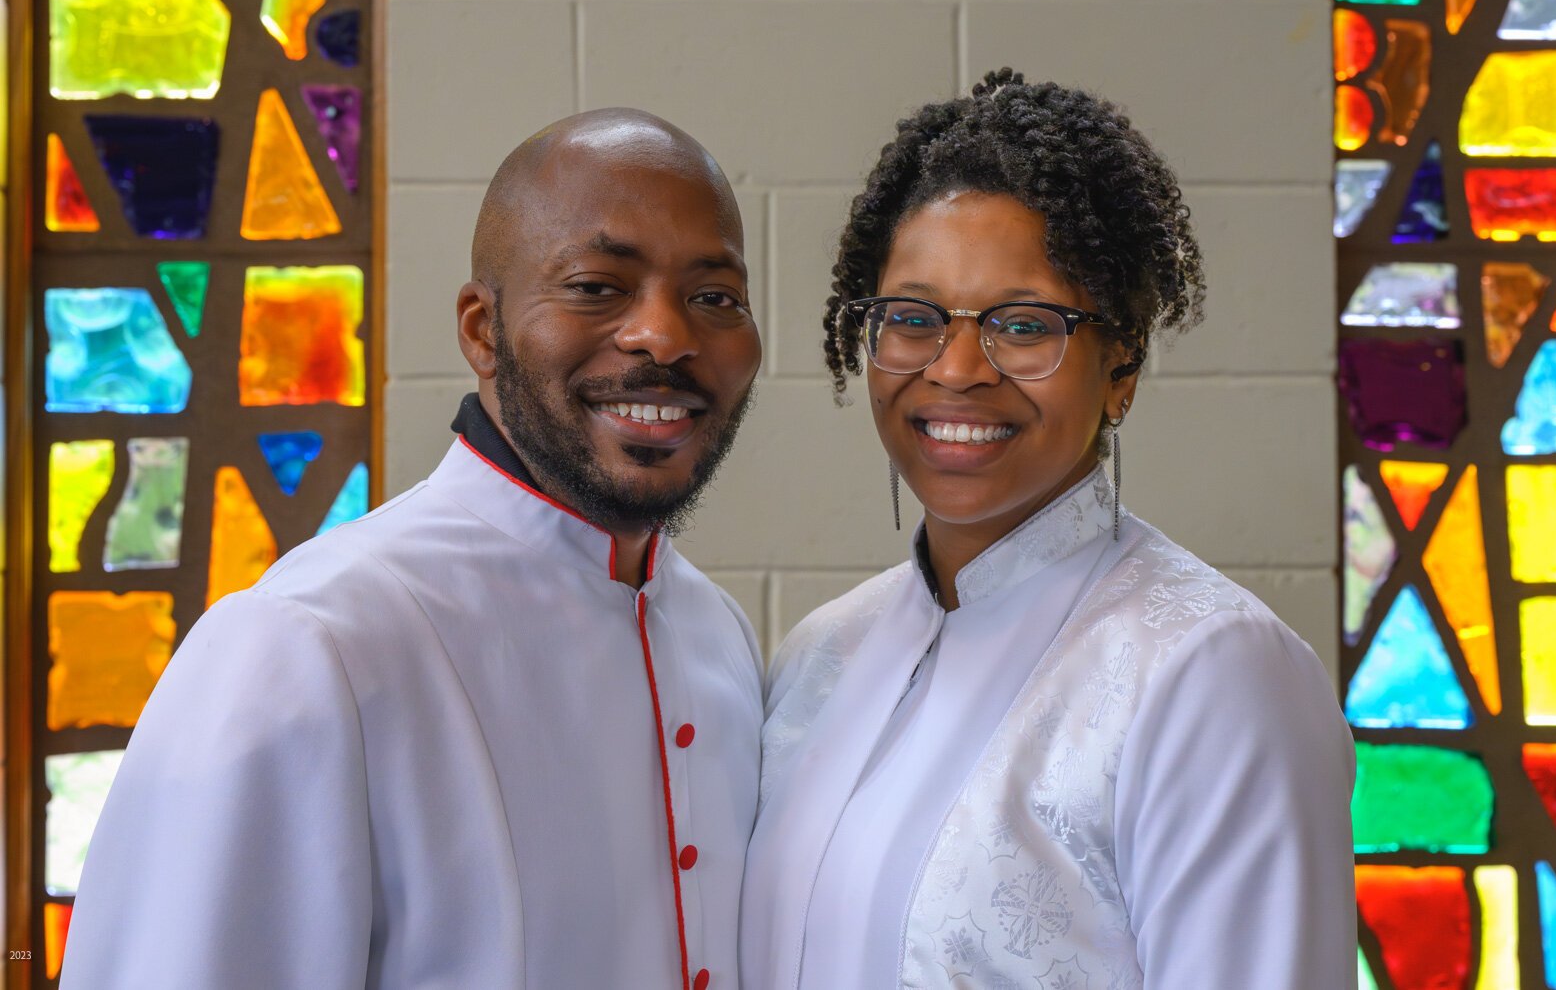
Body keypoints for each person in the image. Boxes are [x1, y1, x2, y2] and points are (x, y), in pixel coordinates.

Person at [63, 109, 764, 990]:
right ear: (481, 329)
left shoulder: (718, 634)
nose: (665, 336)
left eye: (714, 297)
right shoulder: (306, 642)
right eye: (597, 285)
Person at [740, 70, 1355, 989]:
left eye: (1024, 325)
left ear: (1121, 372)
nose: (956, 368)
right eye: (912, 317)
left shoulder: (1210, 673)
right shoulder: (821, 657)